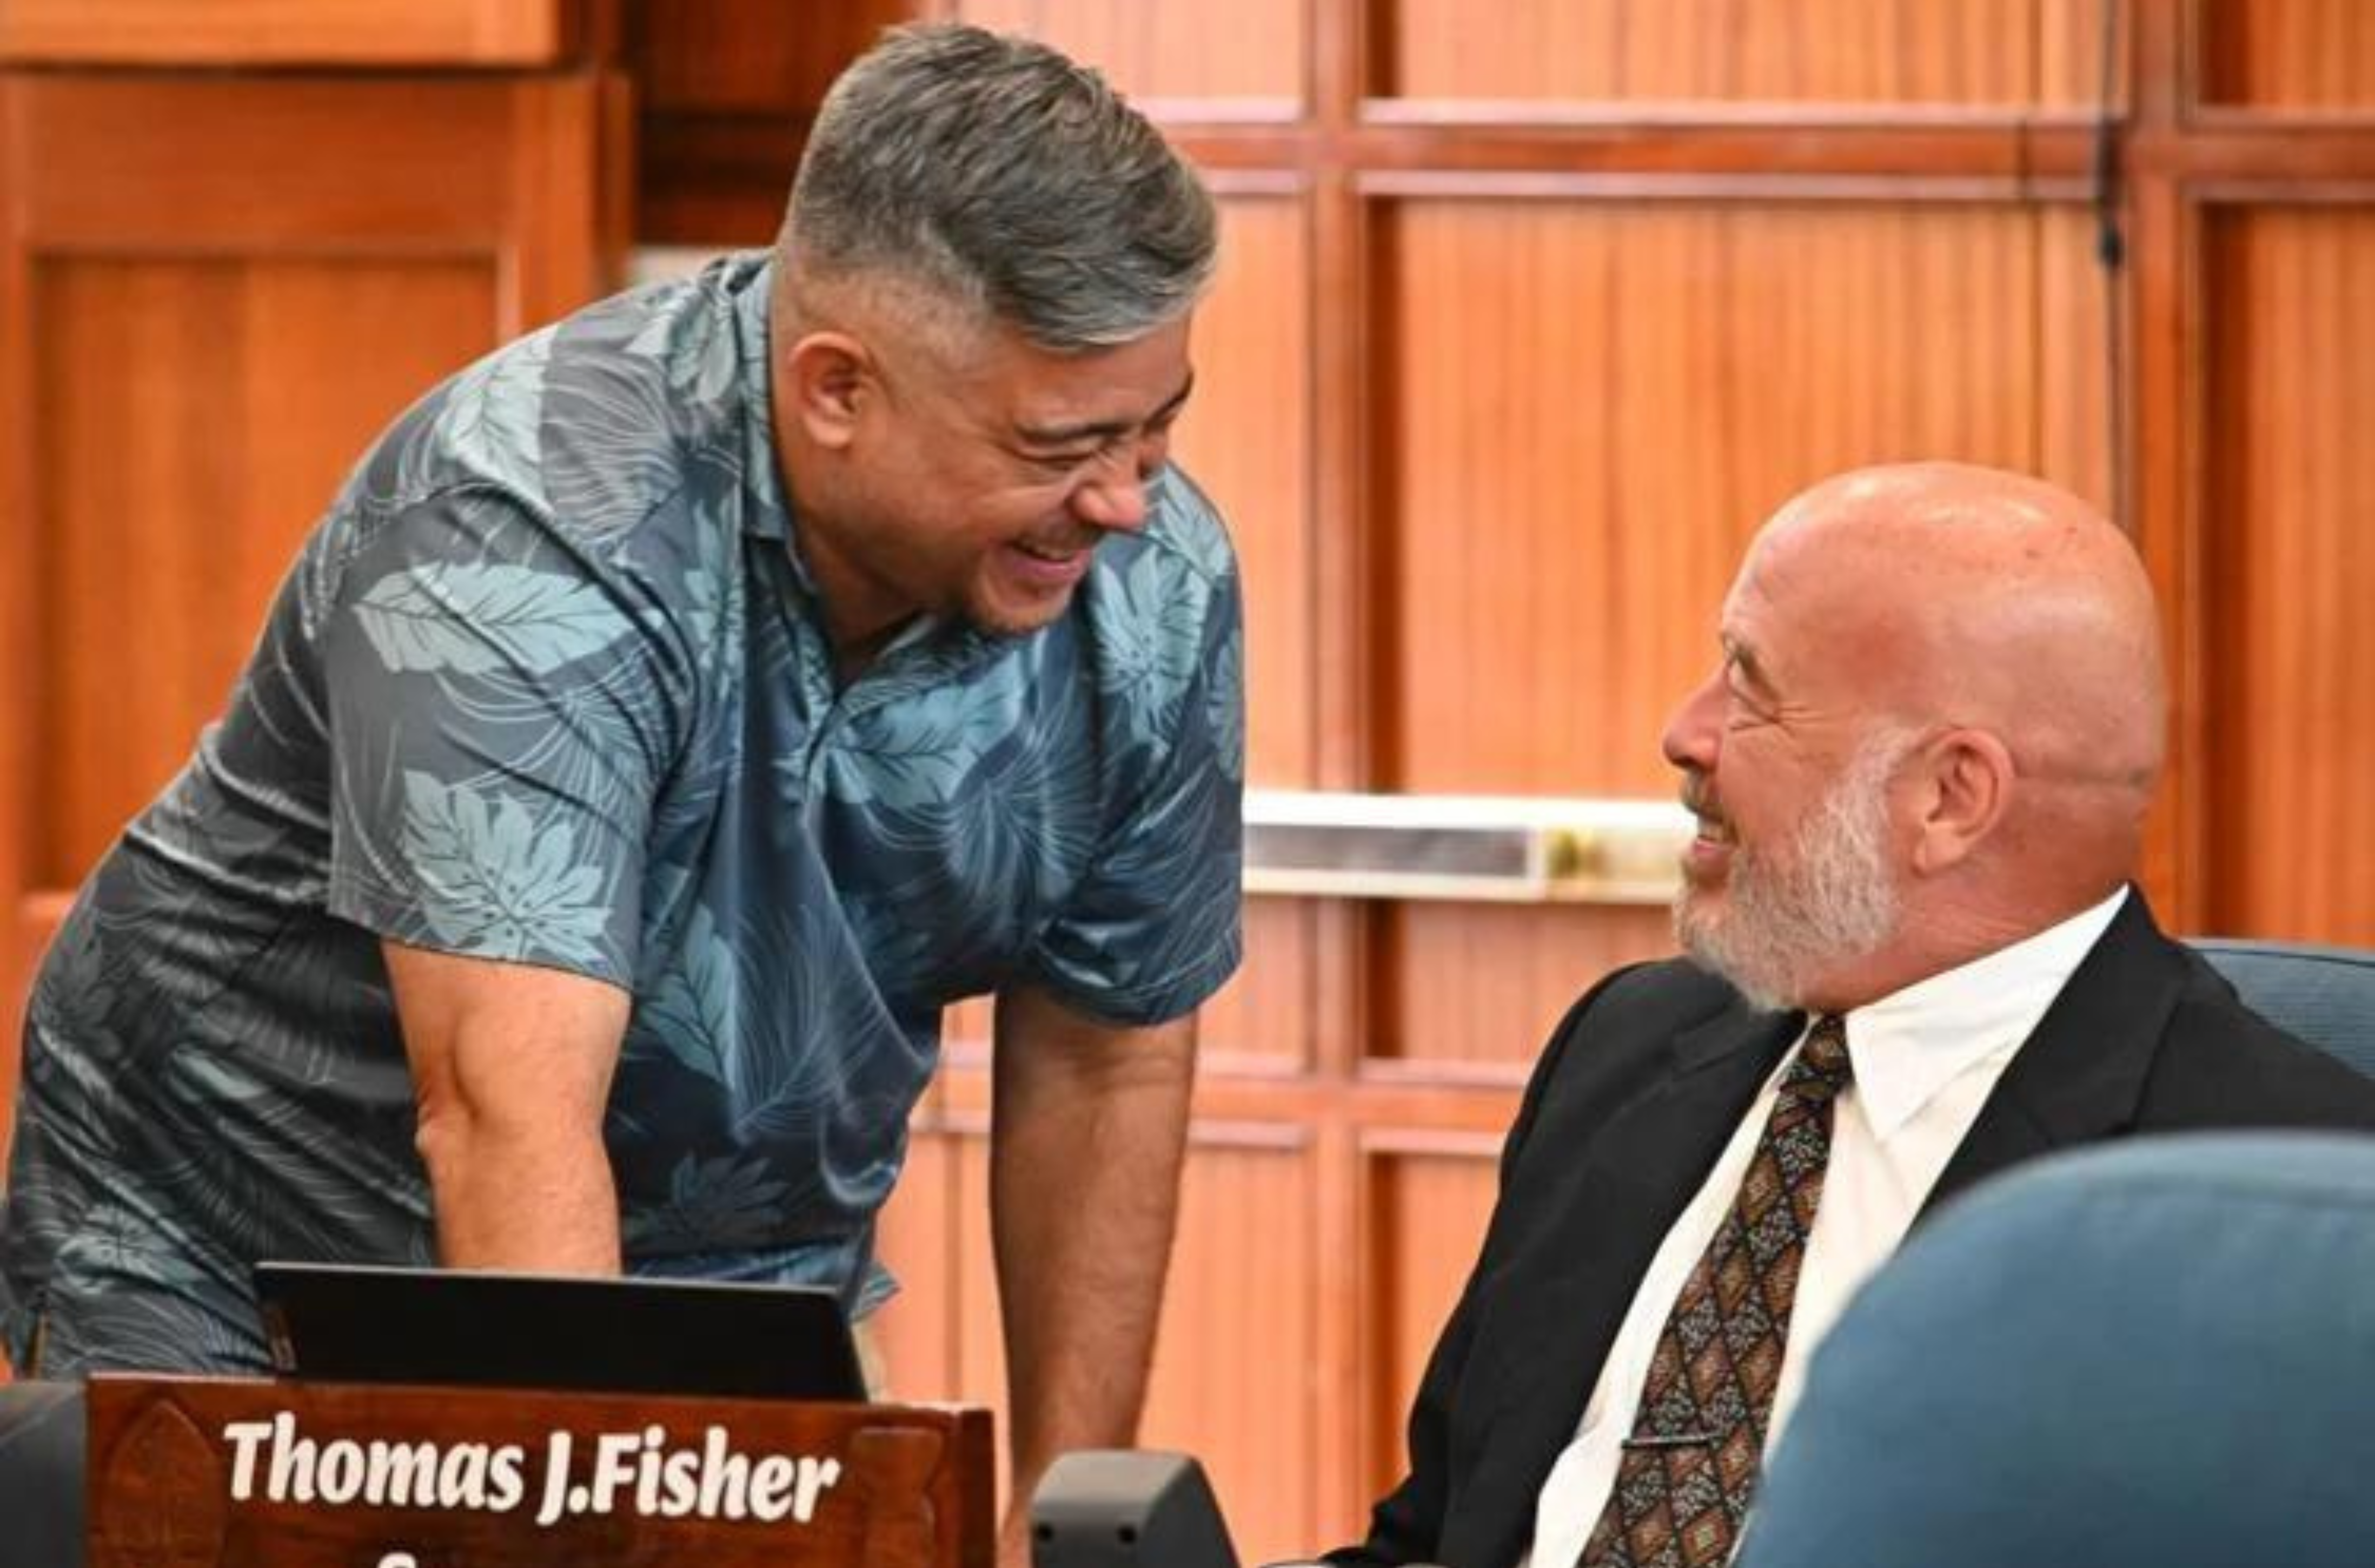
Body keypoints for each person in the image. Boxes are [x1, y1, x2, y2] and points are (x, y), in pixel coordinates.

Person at [0, 19, 1243, 1537]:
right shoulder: (529, 527)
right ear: (838, 388)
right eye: (1059, 444)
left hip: (735, 1283)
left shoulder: (1151, 583)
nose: (1121, 501)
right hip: (255, 1256)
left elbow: (1107, 1054)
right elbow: (507, 1114)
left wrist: (1063, 1521)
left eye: (1156, 422)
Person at [1330, 462, 2375, 1568]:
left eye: (1750, 686)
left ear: (1949, 798)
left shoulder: (2282, 1203)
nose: (1685, 733)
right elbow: (1432, 1541)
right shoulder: (1627, 1049)